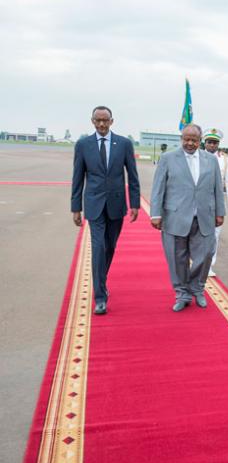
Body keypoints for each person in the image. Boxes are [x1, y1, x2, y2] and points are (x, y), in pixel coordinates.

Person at [71, 106, 140, 315]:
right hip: (93, 205)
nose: (101, 124)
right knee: (99, 248)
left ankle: (102, 279)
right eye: (98, 120)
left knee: (110, 247)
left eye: (105, 120)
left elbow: (133, 176)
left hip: (116, 204)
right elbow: (77, 177)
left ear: (112, 121)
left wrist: (134, 204)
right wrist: (76, 207)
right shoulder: (83, 145)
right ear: (92, 121)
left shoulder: (124, 144)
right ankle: (100, 297)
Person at [150, 124, 225, 312]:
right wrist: (156, 213)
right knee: (177, 258)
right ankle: (182, 293)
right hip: (175, 216)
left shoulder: (211, 160)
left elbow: (217, 188)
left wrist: (220, 212)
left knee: (206, 255)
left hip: (204, 216)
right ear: (181, 138)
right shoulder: (168, 158)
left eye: (194, 140)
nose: (190, 143)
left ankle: (197, 289)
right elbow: (158, 187)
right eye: (186, 139)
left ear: (200, 141)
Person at [203, 128, 228, 276]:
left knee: (215, 235)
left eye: (215, 143)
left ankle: (209, 265)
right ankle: (196, 261)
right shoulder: (196, 156)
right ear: (205, 143)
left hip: (216, 201)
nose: (212, 145)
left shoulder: (225, 159)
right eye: (209, 142)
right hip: (199, 200)